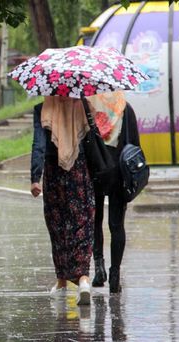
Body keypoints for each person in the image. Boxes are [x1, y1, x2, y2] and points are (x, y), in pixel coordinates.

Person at [30, 97, 94, 305]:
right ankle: (83, 279)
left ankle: (62, 282)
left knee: (58, 226)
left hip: (53, 172)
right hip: (79, 171)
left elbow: (38, 144)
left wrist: (35, 178)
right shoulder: (82, 106)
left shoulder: (42, 109)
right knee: (82, 223)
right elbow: (93, 139)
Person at [86, 92, 140, 293]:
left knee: (95, 221)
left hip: (94, 171)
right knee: (116, 225)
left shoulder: (88, 108)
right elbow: (134, 145)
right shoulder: (126, 108)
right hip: (119, 173)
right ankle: (115, 274)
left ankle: (99, 269)